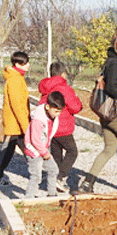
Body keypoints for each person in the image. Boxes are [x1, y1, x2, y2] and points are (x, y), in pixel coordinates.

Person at [78, 31, 117, 193]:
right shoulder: (116, 64)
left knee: (110, 148)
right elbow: (113, 87)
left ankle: (88, 183)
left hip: (106, 115)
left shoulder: (109, 62)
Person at [38, 62, 83, 192]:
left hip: (51, 127)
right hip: (63, 128)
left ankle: (53, 182)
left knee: (57, 155)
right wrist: (79, 103)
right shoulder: (65, 88)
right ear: (63, 74)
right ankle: (60, 176)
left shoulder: (46, 88)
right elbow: (75, 107)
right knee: (72, 151)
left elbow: (42, 104)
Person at [0, 51, 31, 186]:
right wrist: (26, 126)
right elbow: (17, 105)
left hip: (17, 122)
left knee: (26, 149)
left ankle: (37, 173)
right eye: (26, 63)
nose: (29, 65)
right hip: (15, 123)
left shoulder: (17, 77)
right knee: (8, 150)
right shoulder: (15, 79)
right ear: (17, 64)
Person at [24, 91, 65, 199]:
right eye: (56, 111)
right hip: (34, 151)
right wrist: (44, 152)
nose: (58, 114)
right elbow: (35, 140)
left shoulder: (52, 117)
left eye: (59, 111)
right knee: (36, 176)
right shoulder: (38, 120)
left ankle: (52, 194)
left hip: (43, 149)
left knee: (53, 170)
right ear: (47, 107)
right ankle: (29, 198)